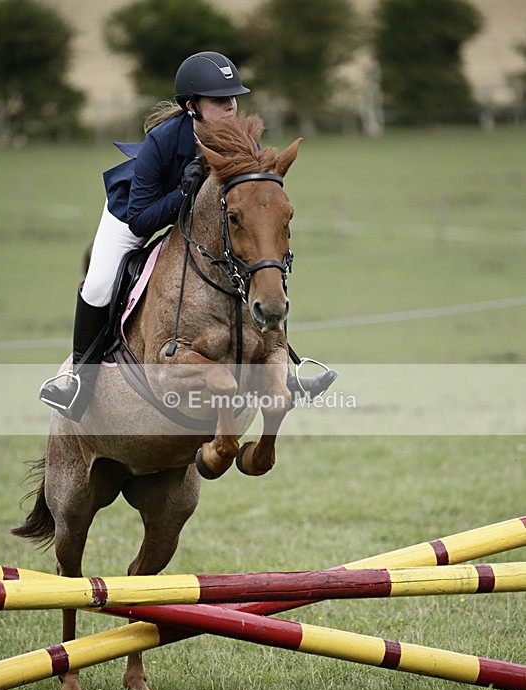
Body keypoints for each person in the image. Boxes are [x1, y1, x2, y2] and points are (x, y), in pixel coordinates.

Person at [40, 51, 336, 420]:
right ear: (191, 106)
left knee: (263, 269)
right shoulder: (163, 140)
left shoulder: (243, 140)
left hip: (198, 224)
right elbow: (141, 220)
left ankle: (285, 371)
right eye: (218, 100)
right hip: (133, 212)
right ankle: (77, 380)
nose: (230, 107)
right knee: (99, 283)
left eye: (232, 98)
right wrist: (185, 191)